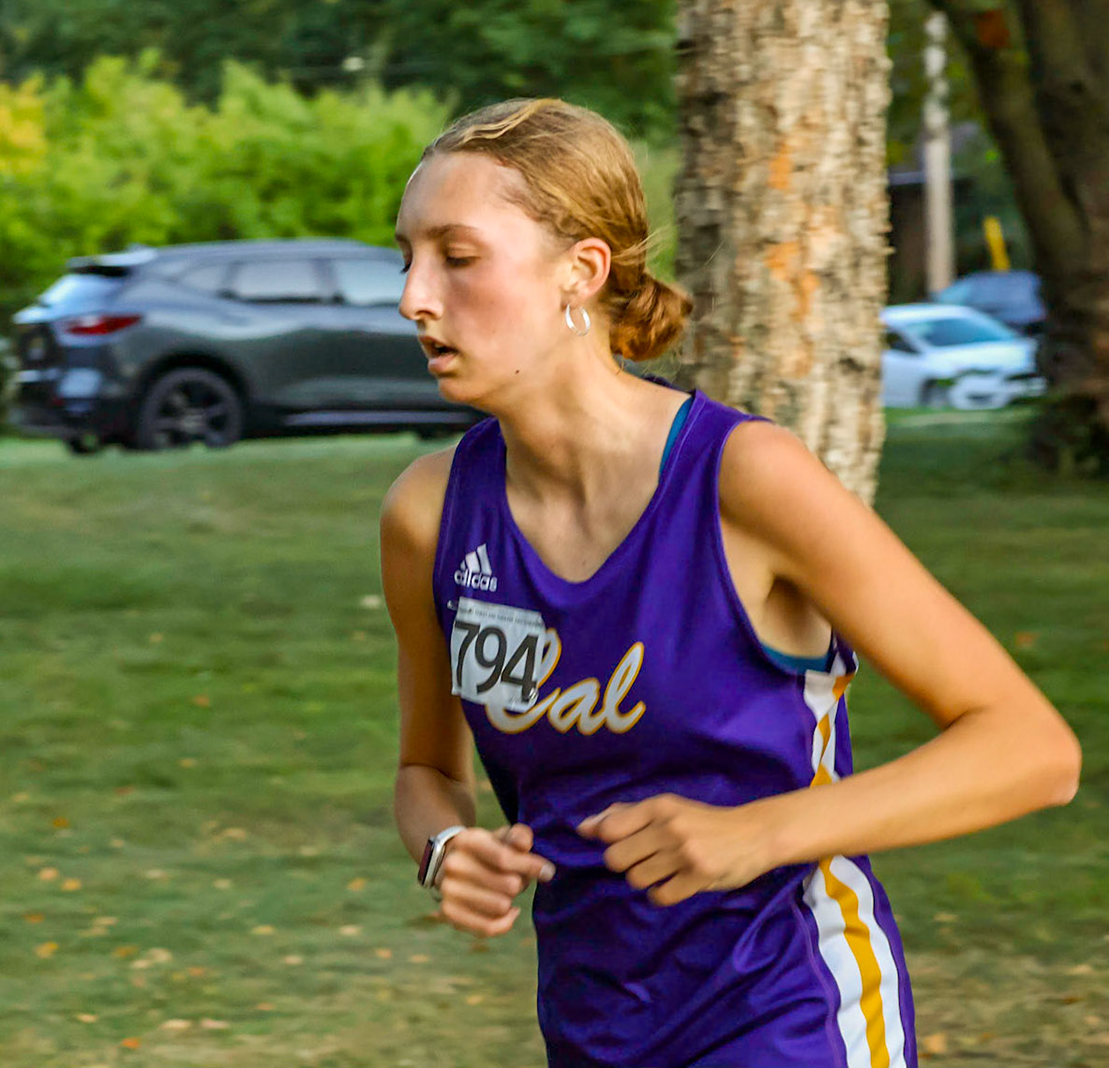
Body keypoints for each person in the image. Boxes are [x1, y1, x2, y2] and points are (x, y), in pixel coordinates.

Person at [377, 98, 1081, 1068]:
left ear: (580, 270)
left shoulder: (744, 478)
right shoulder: (430, 514)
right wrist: (447, 849)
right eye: (405, 257)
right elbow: (426, 774)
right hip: (592, 1025)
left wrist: (758, 833)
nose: (414, 294)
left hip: (788, 1007)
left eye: (457, 256)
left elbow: (1032, 749)